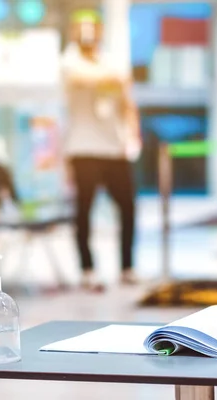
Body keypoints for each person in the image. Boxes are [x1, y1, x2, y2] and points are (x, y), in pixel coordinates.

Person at [61, 9, 142, 292]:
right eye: (81, 29)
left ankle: (127, 267)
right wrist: (114, 78)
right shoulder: (69, 60)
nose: (87, 34)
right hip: (83, 149)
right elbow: (82, 79)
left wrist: (132, 135)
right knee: (84, 211)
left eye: (91, 28)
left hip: (114, 149)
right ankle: (87, 269)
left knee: (128, 208)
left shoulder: (110, 61)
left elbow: (127, 100)